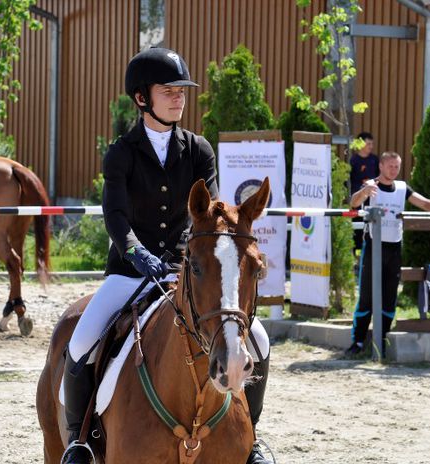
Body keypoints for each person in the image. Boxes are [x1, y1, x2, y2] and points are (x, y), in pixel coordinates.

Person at [61, 48, 273, 464]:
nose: (179, 98)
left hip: (186, 271)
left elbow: (209, 212)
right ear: (142, 98)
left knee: (260, 341)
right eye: (169, 91)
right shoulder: (121, 152)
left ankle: (253, 439)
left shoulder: (198, 150)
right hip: (130, 273)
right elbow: (116, 217)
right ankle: (80, 441)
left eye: (182, 91)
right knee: (80, 341)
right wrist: (136, 253)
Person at [346, 152, 430, 356]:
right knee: (367, 297)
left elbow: (424, 203)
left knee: (390, 296)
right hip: (373, 246)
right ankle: (358, 342)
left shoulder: (402, 188)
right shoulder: (370, 185)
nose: (394, 170)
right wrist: (364, 193)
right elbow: (353, 203)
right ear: (380, 166)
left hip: (394, 248)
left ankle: (382, 340)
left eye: (397, 166)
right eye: (390, 166)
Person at [349, 132, 379, 251]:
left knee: (370, 225)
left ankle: (369, 251)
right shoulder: (354, 160)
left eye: (372, 144)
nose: (371, 146)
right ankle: (357, 254)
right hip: (357, 199)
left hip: (371, 198)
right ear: (360, 144)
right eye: (368, 144)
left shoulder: (375, 160)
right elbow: (349, 179)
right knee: (357, 226)